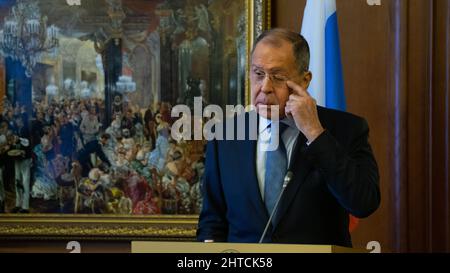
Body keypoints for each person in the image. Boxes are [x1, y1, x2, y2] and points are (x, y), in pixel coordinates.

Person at [197, 29, 380, 247]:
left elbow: (363, 202)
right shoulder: (225, 137)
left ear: (304, 81)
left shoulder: (346, 129)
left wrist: (315, 132)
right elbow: (212, 222)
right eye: (258, 73)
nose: (265, 87)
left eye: (278, 77)